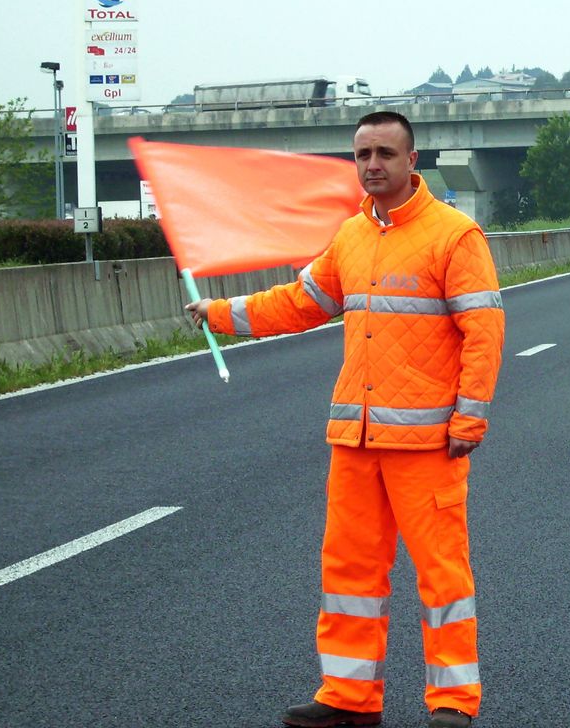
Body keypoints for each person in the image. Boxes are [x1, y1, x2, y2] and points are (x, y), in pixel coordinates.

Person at [186, 112, 505, 728]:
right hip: (355, 441)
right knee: (349, 572)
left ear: (414, 160)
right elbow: (302, 302)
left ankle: (452, 702)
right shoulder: (351, 236)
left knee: (441, 574)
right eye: (362, 154)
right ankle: (349, 697)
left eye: (385, 152)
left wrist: (469, 421)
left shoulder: (455, 236)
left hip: (425, 443)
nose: (372, 164)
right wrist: (220, 312)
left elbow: (483, 333)